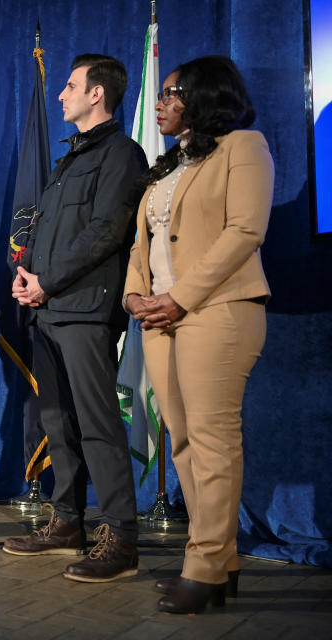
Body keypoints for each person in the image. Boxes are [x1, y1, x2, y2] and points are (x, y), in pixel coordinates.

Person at [124, 56, 272, 614]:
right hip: (159, 317)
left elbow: (245, 230)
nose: (160, 103)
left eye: (171, 93)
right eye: (159, 94)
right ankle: (219, 564)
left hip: (219, 311)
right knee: (181, 440)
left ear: (204, 95)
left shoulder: (244, 146)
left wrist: (180, 297)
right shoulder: (167, 167)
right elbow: (143, 244)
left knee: (212, 442)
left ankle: (205, 564)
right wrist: (135, 294)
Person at [5, 54, 147, 582]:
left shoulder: (122, 154)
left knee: (96, 424)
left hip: (85, 310)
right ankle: (67, 522)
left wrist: (48, 281)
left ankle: (121, 538)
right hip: (46, 308)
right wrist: (26, 275)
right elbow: (42, 230)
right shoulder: (68, 160)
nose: (60, 95)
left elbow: (107, 232)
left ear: (97, 94)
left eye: (69, 86)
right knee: (57, 422)